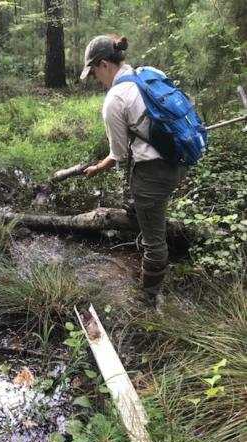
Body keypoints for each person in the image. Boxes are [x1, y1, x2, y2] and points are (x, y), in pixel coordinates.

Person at [80, 35, 186, 306]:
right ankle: (144, 212)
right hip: (179, 160)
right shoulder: (149, 74)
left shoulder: (115, 99)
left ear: (104, 64)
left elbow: (119, 154)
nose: (95, 79)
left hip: (153, 174)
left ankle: (148, 299)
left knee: (154, 242)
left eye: (93, 73)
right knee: (147, 209)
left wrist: (97, 168)